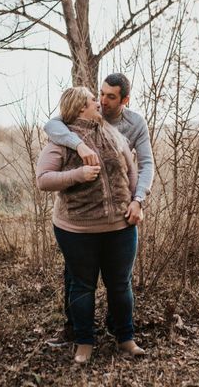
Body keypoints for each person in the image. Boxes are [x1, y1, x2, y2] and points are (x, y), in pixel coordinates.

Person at [36, 86, 146, 363]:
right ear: (79, 108)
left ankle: (126, 338)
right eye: (92, 100)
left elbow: (131, 171)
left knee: (120, 285)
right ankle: (84, 342)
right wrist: (78, 174)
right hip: (78, 229)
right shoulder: (61, 139)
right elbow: (44, 179)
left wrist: (137, 202)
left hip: (120, 227)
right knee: (83, 286)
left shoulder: (112, 133)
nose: (99, 103)